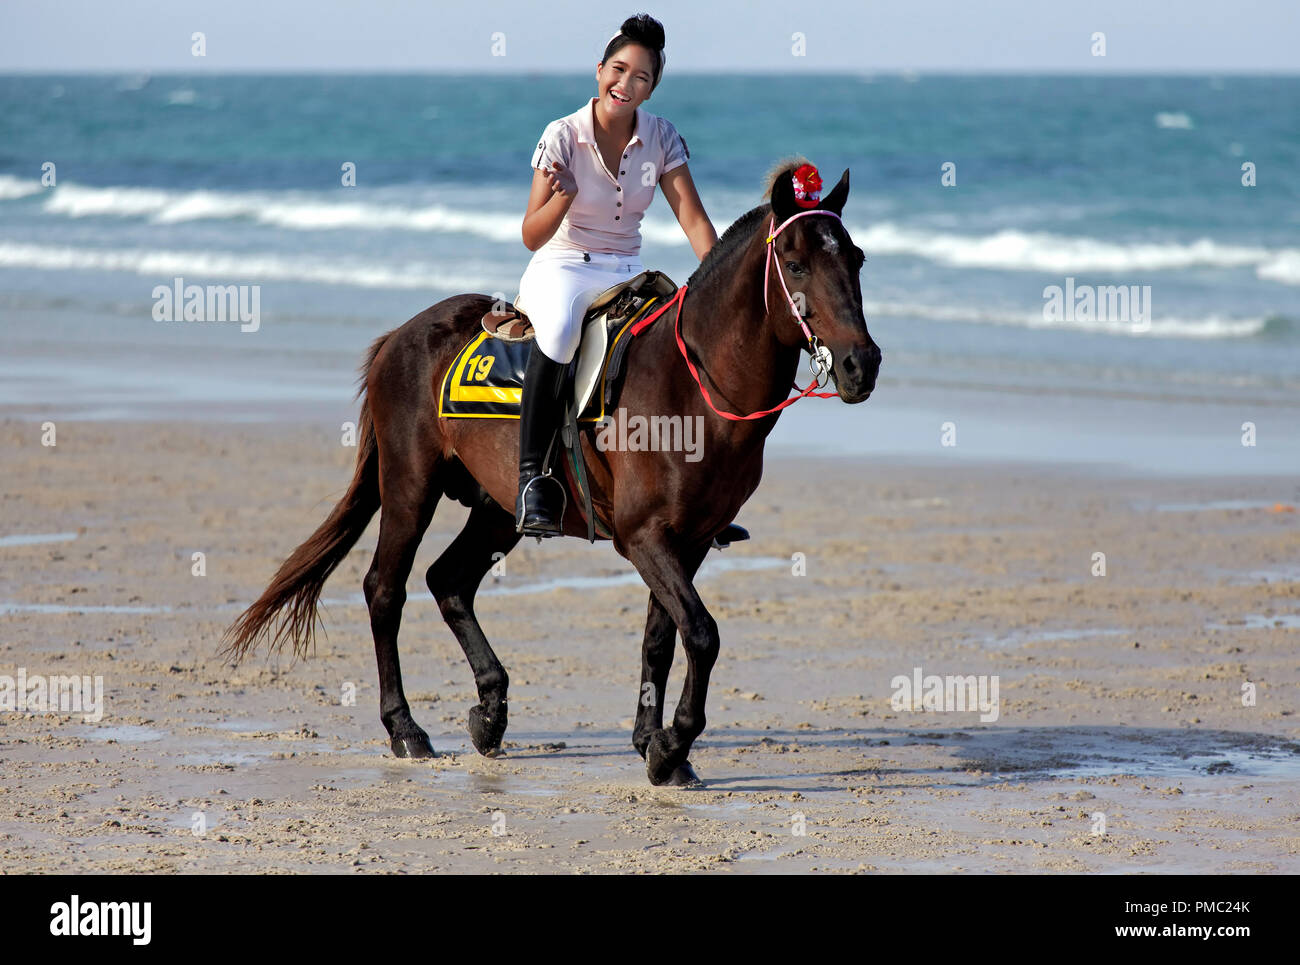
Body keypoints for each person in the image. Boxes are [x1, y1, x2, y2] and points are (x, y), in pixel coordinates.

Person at [515, 13, 719, 536]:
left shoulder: (662, 138)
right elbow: (531, 235)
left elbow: (693, 220)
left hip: (628, 268)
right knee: (559, 332)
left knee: (680, 341)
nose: (625, 85)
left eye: (641, 77)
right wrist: (563, 196)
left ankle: (697, 494)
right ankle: (531, 480)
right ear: (599, 70)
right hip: (563, 265)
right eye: (618, 69)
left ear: (652, 89)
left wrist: (718, 283)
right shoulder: (561, 135)